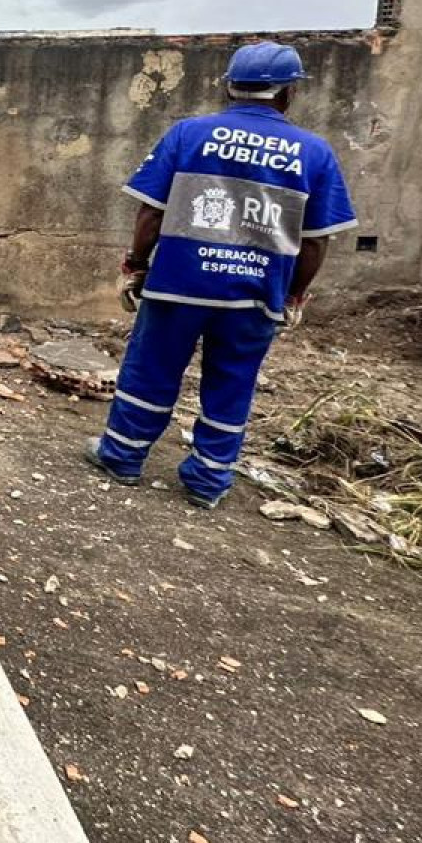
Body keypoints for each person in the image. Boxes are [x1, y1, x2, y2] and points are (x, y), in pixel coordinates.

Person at [87, 41, 357, 508]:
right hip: (254, 294)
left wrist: (135, 265)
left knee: (151, 369)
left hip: (179, 284)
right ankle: (209, 481)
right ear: (289, 93)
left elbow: (151, 214)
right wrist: (292, 296)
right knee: (232, 382)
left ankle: (122, 456)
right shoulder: (314, 153)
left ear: (231, 86)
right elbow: (315, 240)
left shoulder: (189, 135)